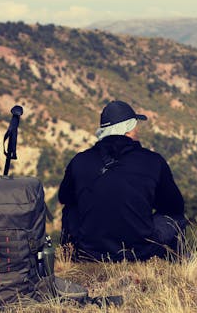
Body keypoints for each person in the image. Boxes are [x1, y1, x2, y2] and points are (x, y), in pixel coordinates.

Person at [58, 100, 187, 262]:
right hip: (140, 252)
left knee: (70, 210)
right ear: (128, 129)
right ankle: (177, 265)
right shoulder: (152, 161)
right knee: (176, 217)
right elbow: (175, 206)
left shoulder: (79, 161)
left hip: (91, 252)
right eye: (134, 126)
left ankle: (70, 259)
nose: (136, 130)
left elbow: (65, 198)